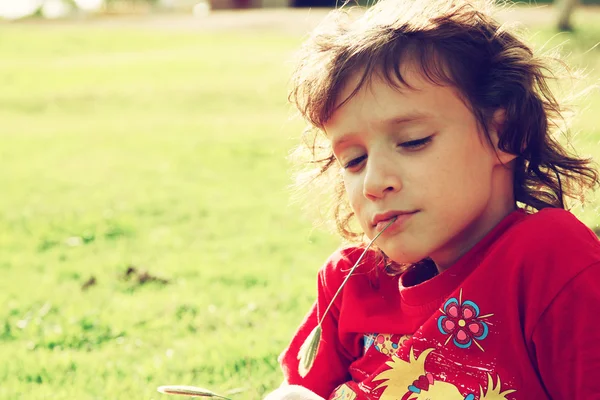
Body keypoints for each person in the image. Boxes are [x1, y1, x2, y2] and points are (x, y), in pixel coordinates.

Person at [265, 0, 600, 399]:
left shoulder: (547, 258)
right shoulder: (351, 280)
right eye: (354, 160)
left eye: (413, 141)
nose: (374, 181)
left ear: (507, 134)